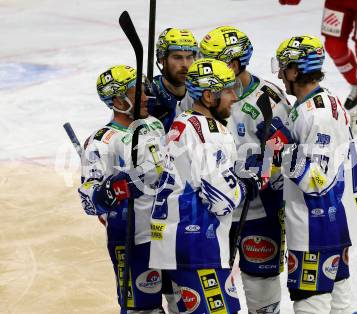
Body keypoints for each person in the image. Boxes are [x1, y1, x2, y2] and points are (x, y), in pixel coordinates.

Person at [149, 58, 261, 314]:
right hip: (197, 240)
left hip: (176, 240)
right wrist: (245, 184)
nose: (234, 96)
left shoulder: (183, 123)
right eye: (228, 90)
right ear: (209, 96)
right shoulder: (209, 132)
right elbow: (221, 200)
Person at [269, 35, 357, 313]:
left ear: (295, 71)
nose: (279, 74)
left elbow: (317, 182)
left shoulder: (316, 116)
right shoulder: (323, 102)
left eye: (283, 67)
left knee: (310, 303)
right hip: (332, 222)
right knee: (341, 305)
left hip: (314, 228)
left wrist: (282, 148)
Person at [199, 26, 291, 314]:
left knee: (261, 284)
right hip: (212, 210)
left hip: (259, 210)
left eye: (210, 59)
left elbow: (287, 155)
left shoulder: (269, 98)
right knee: (212, 288)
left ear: (233, 64)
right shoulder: (200, 96)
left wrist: (265, 171)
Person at [78, 65, 178, 313]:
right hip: (132, 235)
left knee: (181, 300)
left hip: (168, 230)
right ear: (117, 100)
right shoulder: (101, 142)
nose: (146, 97)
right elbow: (89, 199)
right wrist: (114, 190)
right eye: (137, 92)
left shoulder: (153, 124)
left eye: (144, 90)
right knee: (143, 309)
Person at [147, 28, 198, 132]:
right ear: (161, 59)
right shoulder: (145, 96)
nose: (185, 64)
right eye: (177, 57)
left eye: (189, 57)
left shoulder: (202, 92)